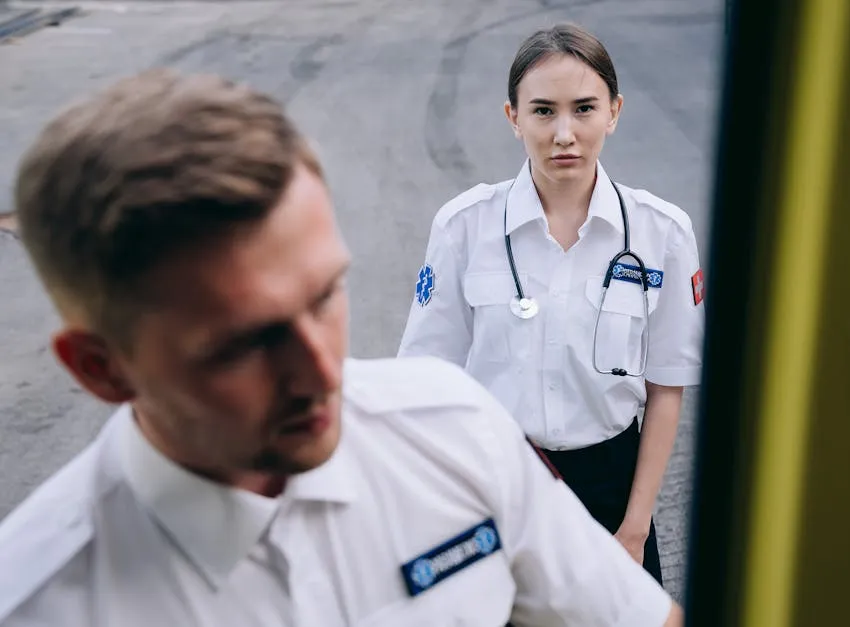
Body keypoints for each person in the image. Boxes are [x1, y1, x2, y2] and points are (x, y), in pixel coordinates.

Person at [0, 69, 684, 626]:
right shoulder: (39, 601)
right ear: (101, 367)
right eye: (244, 342)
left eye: (326, 293)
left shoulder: (456, 432)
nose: (322, 371)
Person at [397, 23, 706, 584]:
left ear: (613, 112)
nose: (565, 132)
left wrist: (634, 529)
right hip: (495, 488)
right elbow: (426, 385)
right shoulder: (465, 228)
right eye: (543, 111)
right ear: (513, 118)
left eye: (584, 108)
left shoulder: (662, 234)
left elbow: (666, 389)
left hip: (611, 491)